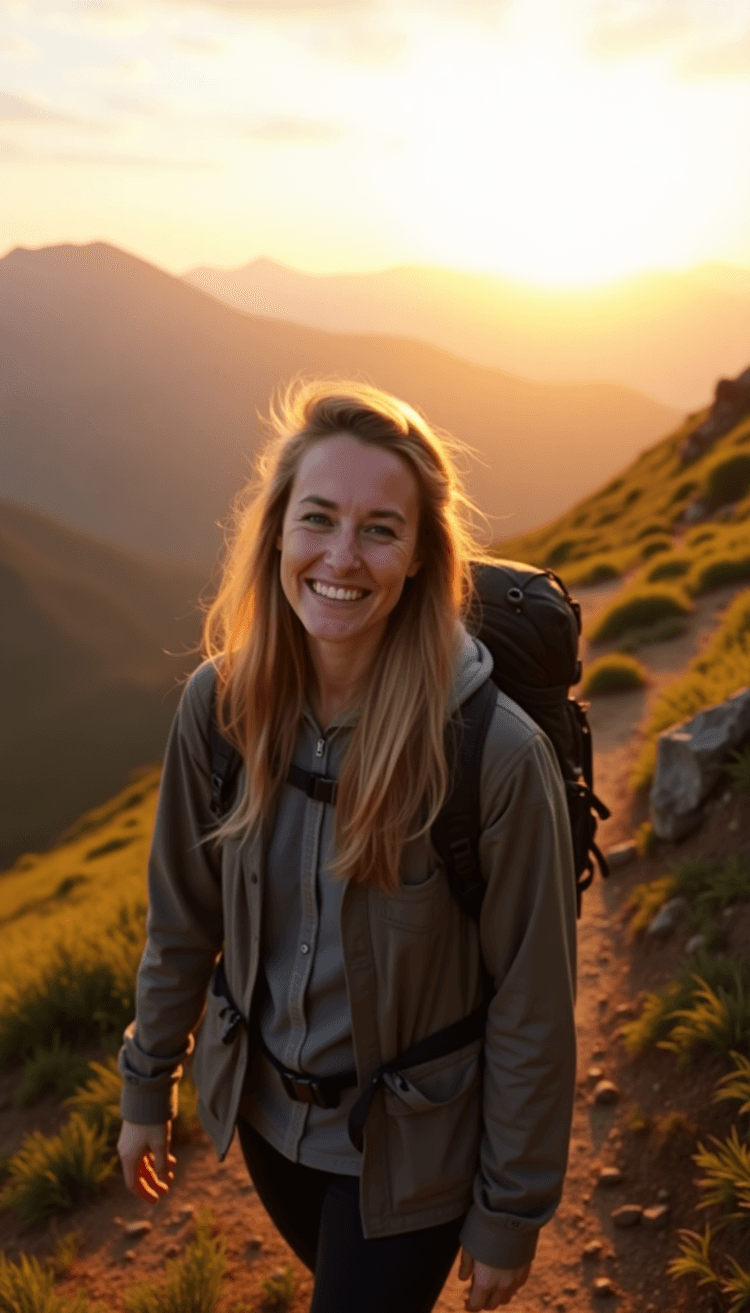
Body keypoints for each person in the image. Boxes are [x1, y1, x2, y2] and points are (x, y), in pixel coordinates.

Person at [117, 379, 577, 1313]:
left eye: (380, 528)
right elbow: (182, 917)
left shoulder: (490, 753)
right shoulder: (221, 708)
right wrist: (145, 1081)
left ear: (418, 557)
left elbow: (535, 1001)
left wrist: (511, 1211)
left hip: (413, 1157)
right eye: (317, 518)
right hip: (264, 1126)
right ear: (277, 533)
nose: (341, 555)